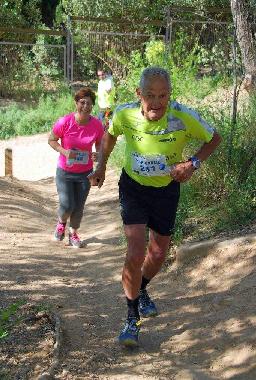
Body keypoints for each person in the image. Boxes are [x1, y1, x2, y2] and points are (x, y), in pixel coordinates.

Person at [88, 67, 221, 347]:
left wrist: (192, 163)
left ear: (170, 95)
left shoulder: (182, 116)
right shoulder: (125, 114)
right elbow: (109, 136)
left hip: (166, 191)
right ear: (139, 94)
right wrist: (100, 165)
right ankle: (131, 319)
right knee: (136, 250)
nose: (157, 102)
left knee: (158, 253)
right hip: (133, 188)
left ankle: (142, 288)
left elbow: (213, 139)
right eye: (150, 95)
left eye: (163, 95)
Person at [48, 87, 104, 248]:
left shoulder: (97, 125)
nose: (85, 106)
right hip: (64, 172)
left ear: (93, 105)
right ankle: (61, 223)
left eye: (89, 103)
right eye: (82, 102)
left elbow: (100, 145)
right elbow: (51, 140)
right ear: (76, 103)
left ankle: (73, 234)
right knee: (67, 205)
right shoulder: (65, 122)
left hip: (85, 173)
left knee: (79, 206)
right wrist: (64, 152)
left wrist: (97, 154)